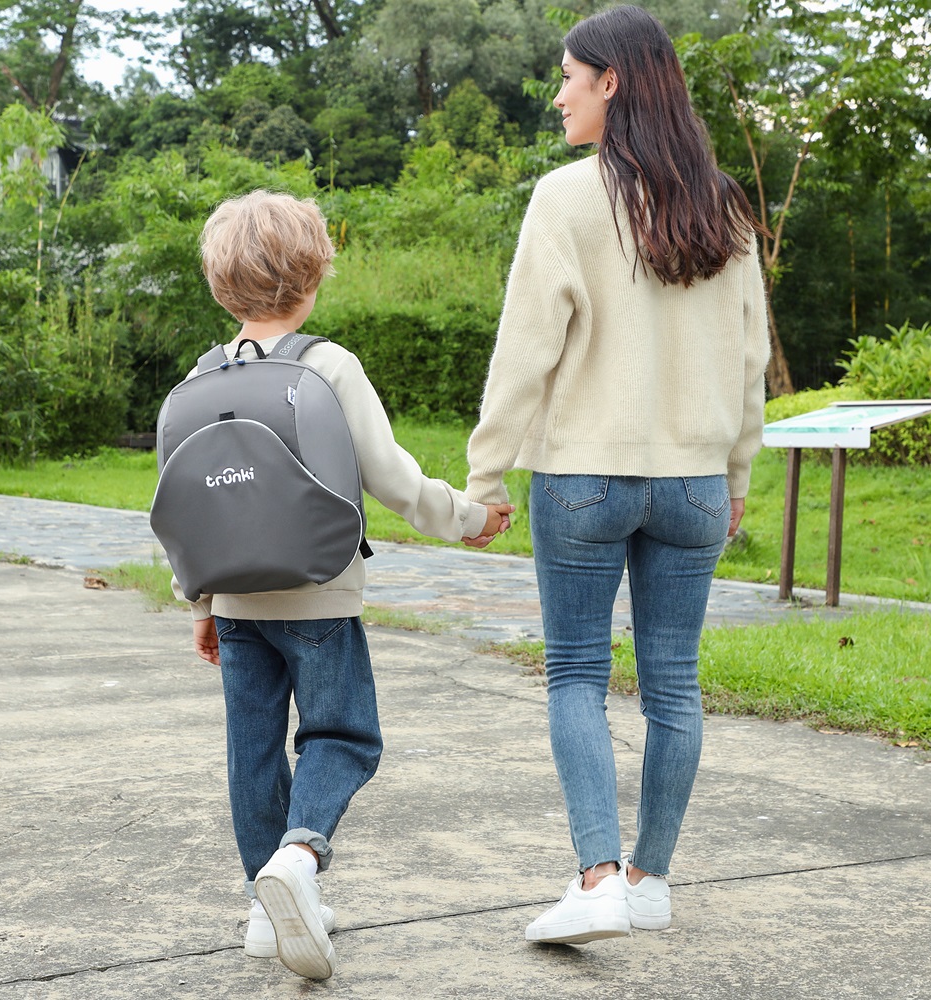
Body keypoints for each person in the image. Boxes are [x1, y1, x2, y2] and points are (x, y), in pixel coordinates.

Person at [464, 5, 769, 945]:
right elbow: (751, 357)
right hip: (692, 484)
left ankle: (596, 879)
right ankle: (651, 879)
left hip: (583, 481)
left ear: (614, 83)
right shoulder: (723, 205)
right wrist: (737, 476)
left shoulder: (566, 199)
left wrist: (487, 475)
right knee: (673, 684)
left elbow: (526, 352)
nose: (557, 95)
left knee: (576, 677)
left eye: (568, 77)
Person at [186, 190, 513, 980]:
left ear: (220, 286)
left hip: (233, 600)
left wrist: (198, 600)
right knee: (343, 735)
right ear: (312, 279)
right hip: (320, 595)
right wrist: (470, 518)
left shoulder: (201, 377)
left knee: (251, 750)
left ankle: (267, 911)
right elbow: (393, 479)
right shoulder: (328, 367)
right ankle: (299, 859)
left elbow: (190, 501)